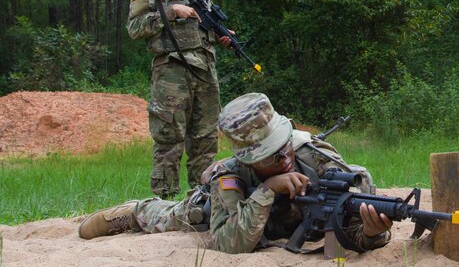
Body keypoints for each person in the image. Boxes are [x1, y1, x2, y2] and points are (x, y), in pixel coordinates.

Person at [78, 93, 393, 253]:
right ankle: (133, 212)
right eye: (269, 156)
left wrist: (369, 234)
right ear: (249, 160)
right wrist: (268, 188)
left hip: (290, 224)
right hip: (231, 212)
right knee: (187, 215)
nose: (284, 158)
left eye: (284, 146)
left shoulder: (318, 158)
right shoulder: (232, 175)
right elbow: (227, 245)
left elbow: (350, 231)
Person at [127, 0, 231, 198]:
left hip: (205, 69)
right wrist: (170, 13)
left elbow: (205, 23)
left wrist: (222, 36)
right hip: (171, 70)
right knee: (169, 140)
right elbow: (134, 28)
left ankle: (203, 200)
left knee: (205, 140)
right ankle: (164, 202)